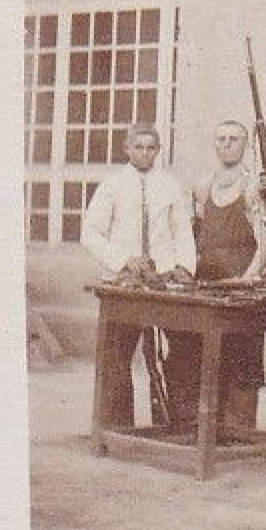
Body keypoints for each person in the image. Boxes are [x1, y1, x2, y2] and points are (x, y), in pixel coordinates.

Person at [80, 124, 197, 427]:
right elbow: (90, 233)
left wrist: (183, 266)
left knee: (180, 348)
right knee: (117, 354)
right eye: (138, 147)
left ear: (158, 150)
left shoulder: (170, 185)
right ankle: (116, 428)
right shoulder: (112, 185)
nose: (145, 153)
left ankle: (177, 422)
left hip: (163, 278)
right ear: (126, 149)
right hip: (124, 280)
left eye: (151, 147)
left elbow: (182, 230)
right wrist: (123, 260)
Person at [167, 118, 266, 431]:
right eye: (221, 139)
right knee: (204, 357)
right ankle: (205, 431)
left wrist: (250, 278)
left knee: (242, 359)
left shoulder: (253, 186)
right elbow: (194, 234)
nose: (227, 145)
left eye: (234, 139)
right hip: (209, 283)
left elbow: (265, 241)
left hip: (241, 284)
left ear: (246, 145)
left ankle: (239, 431)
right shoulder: (203, 186)